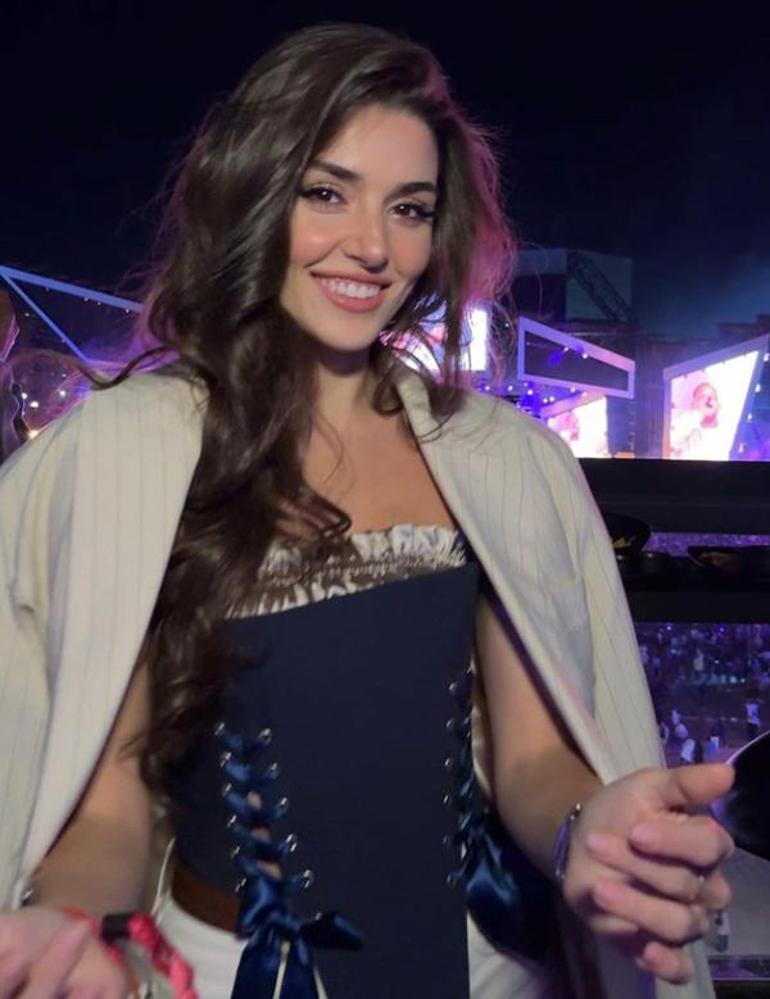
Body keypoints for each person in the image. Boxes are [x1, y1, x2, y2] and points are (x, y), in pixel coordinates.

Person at [0, 23, 734, 999]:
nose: (374, 247)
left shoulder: (497, 460)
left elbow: (531, 758)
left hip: (477, 973)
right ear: (255, 192)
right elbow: (108, 809)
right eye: (327, 193)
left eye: (409, 208)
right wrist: (66, 925)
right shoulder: (129, 457)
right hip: (221, 973)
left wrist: (586, 832)